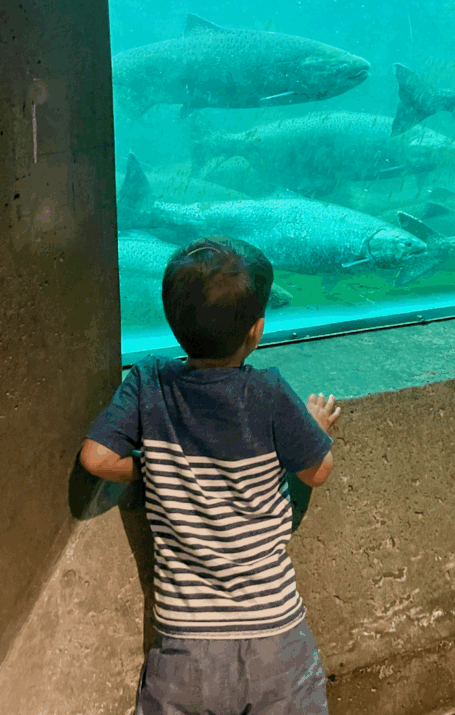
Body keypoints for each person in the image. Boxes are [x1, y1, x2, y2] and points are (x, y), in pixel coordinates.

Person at [80, 235, 341, 715]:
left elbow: (95, 459)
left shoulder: (148, 381)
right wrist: (315, 427)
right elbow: (318, 471)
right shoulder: (268, 391)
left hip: (186, 643)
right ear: (256, 331)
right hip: (275, 634)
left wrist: (152, 464)